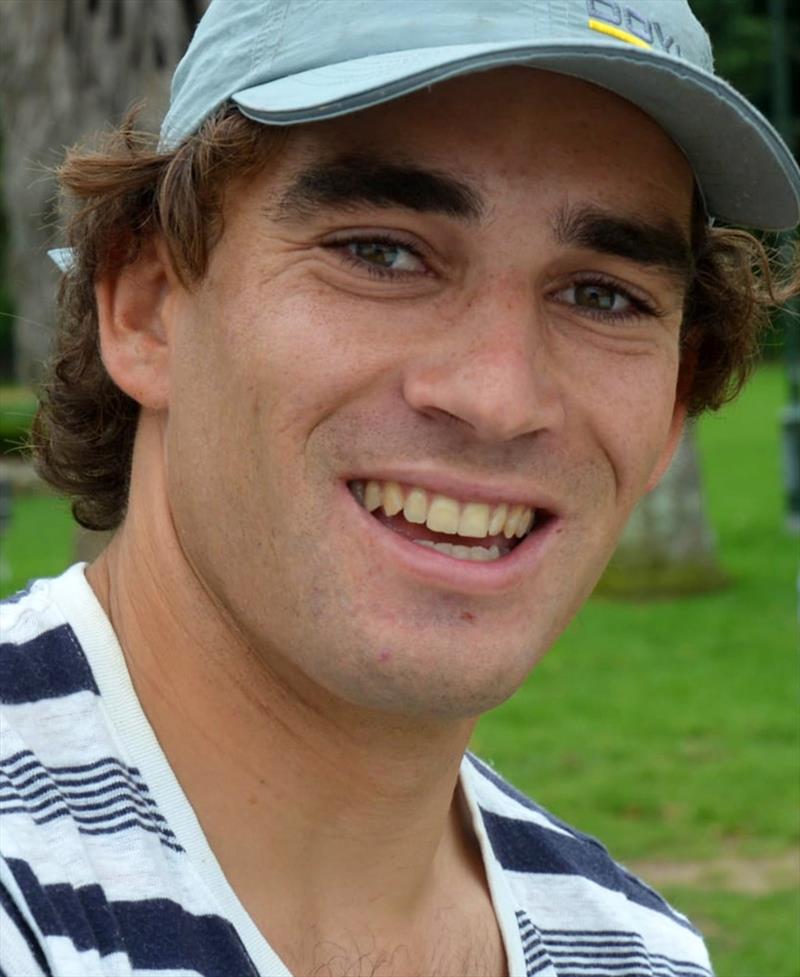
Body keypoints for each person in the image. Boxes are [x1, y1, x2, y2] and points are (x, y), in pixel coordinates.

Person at [1, 1, 798, 974]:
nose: (498, 397)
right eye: (380, 252)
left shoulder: (636, 951)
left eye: (602, 294)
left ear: (672, 401)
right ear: (146, 306)